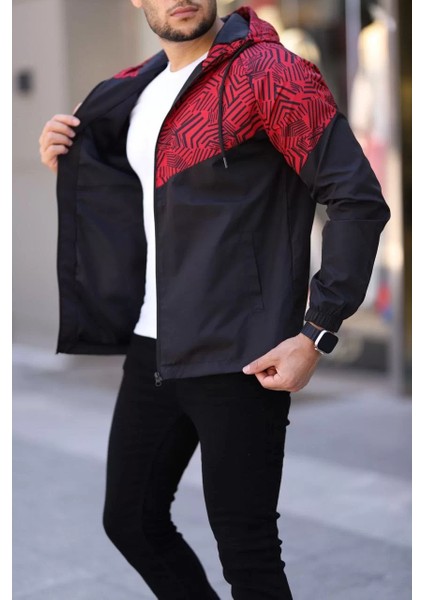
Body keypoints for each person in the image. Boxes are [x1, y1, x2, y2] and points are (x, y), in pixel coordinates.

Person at [38, 1, 390, 598]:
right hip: (153, 346)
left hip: (242, 354)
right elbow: (153, 203)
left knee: (248, 554)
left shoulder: (271, 73)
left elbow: (356, 199)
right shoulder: (134, 90)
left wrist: (316, 332)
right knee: (130, 521)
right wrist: (70, 162)